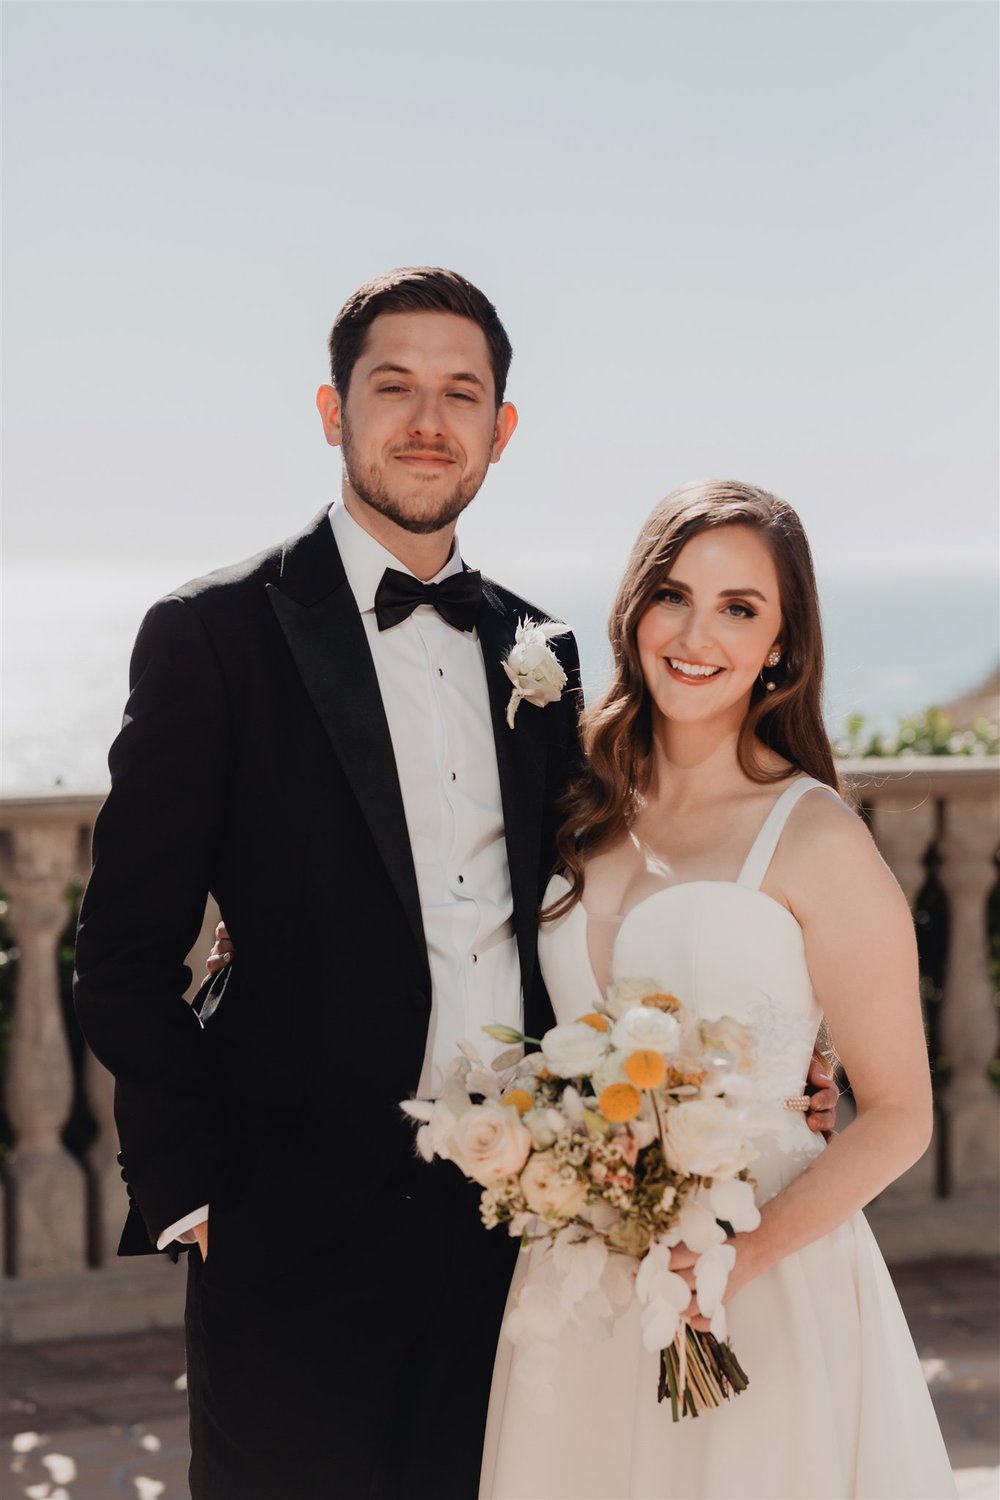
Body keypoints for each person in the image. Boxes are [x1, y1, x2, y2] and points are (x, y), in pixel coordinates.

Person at [74, 269, 837, 1500]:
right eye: (394, 387)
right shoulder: (212, 635)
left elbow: (618, 889)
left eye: (459, 392)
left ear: (500, 428)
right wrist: (193, 1192)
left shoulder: (540, 651)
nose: (427, 419)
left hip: (516, 1227)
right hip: (288, 1221)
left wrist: (779, 1050)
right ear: (332, 411)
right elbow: (120, 950)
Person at [479, 481, 957, 1500]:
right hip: (578, 1284)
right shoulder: (569, 802)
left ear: (782, 644)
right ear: (634, 610)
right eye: (675, 596)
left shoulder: (817, 835)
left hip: (760, 1279)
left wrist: (736, 1261)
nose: (697, 634)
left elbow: (901, 1115)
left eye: (740, 608)